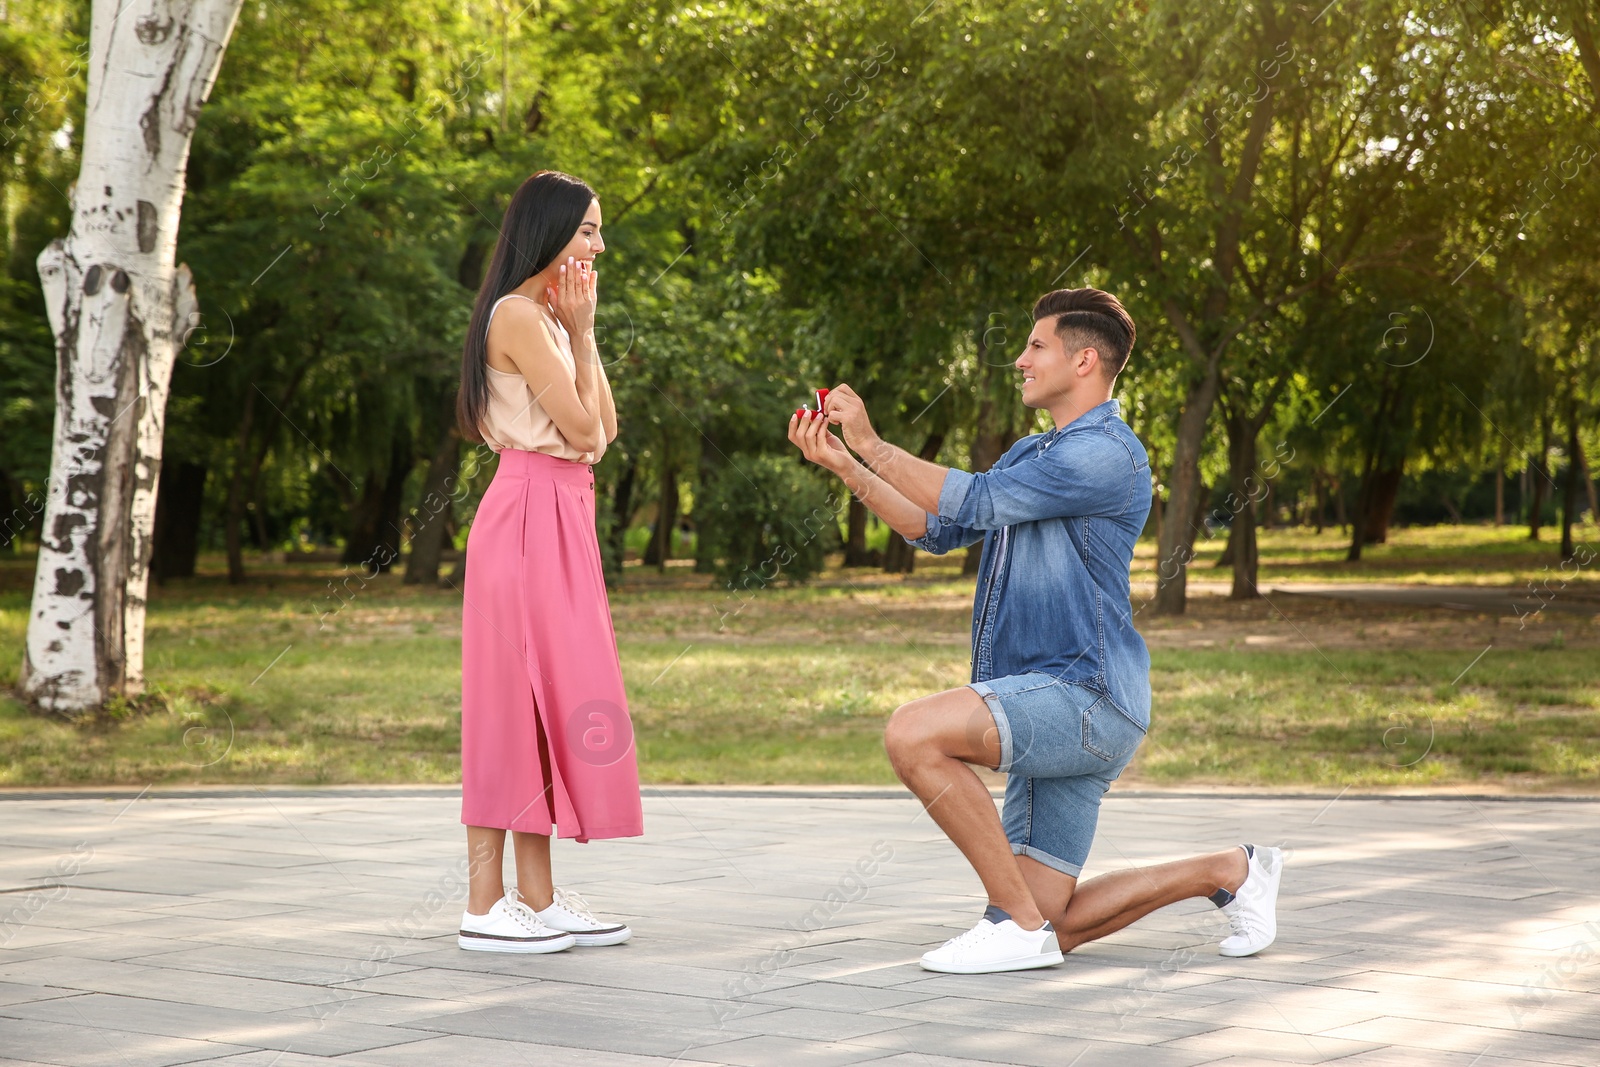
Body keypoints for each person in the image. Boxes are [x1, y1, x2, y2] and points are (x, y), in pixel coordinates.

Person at [787, 287, 1283, 974]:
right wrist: (847, 463)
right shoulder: (1033, 454)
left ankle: (1010, 922)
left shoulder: (1107, 453)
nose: (1019, 359)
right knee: (1058, 918)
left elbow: (978, 498)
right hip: (1051, 698)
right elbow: (936, 528)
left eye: (1035, 345)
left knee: (913, 733)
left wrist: (872, 441)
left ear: (1084, 359)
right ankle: (1231, 869)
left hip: (1085, 695)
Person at [453, 170, 641, 953]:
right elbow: (584, 427)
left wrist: (584, 331)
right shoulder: (521, 316)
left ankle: (538, 895)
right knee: (507, 702)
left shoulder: (554, 319)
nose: (600, 245)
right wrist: (585, 333)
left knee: (550, 703)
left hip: (562, 511)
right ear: (552, 232)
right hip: (528, 511)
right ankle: (483, 902)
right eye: (589, 230)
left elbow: (607, 431)